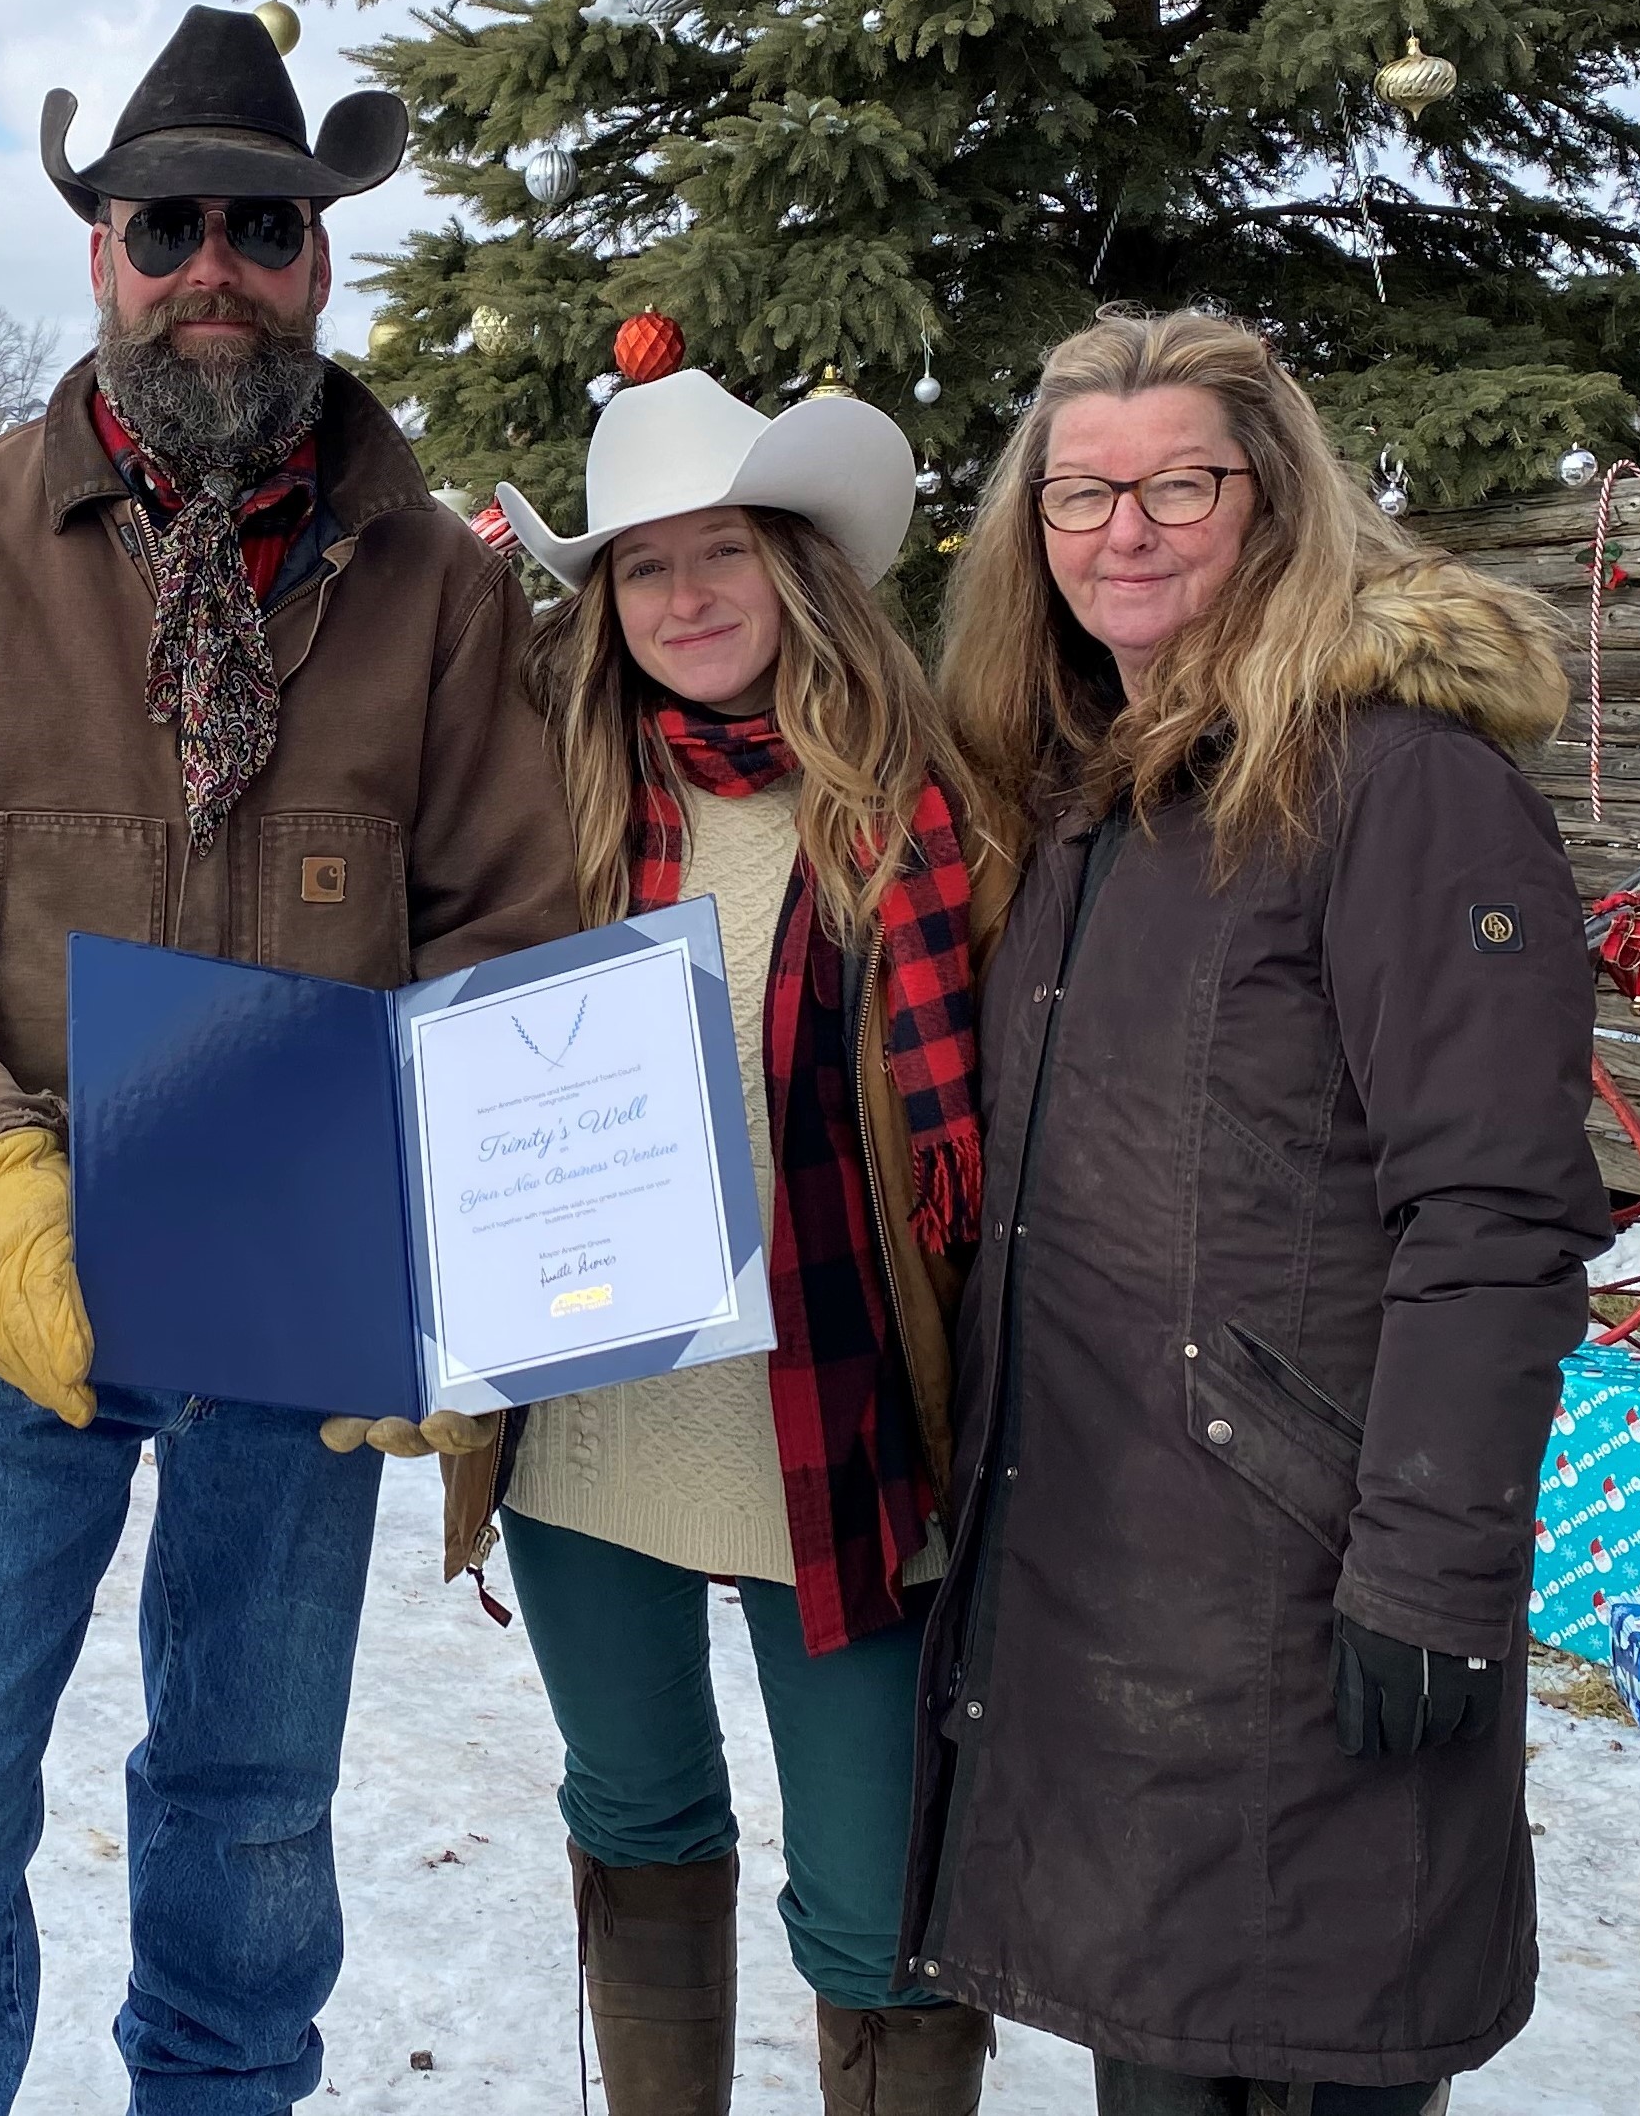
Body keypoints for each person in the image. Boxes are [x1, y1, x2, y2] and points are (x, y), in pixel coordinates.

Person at [0, 5, 576, 2116]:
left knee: (250, 1806)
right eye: (164, 225)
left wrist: (441, 1223)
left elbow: (508, 918)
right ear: (98, 251)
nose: (211, 264)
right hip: (20, 1261)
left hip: (306, 1282)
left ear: (321, 259)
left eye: (262, 225)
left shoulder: (435, 586)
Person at [901, 309, 1608, 2116]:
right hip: (1125, 1592)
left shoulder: (1396, 785)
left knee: (1315, 2051)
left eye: (1177, 485)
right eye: (1079, 493)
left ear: (1274, 503)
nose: (1121, 531)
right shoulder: (1075, 793)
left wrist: (1436, 1568)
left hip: (1311, 1582)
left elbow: (1496, 1210)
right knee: (1165, 2057)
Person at [346, 365, 1017, 2116]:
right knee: (637, 1820)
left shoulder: (940, 823)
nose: (687, 596)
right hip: (592, 1437)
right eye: (644, 567)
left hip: (850, 1439)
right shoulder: (545, 813)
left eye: (723, 552)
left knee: (877, 1911)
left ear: (800, 571)